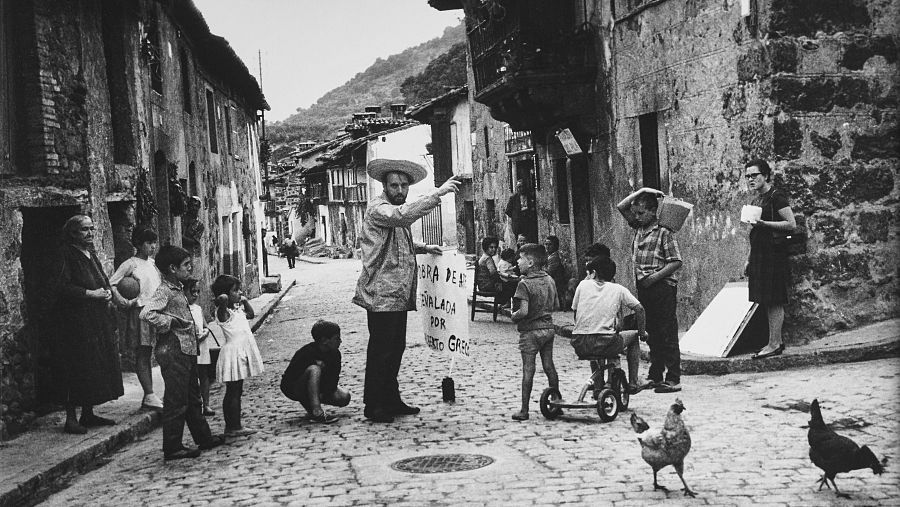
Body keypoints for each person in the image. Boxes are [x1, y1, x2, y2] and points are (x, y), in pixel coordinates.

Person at [352, 158, 460, 423]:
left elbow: (398, 241)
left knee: (396, 347)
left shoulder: (394, 211)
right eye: (394, 185)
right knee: (381, 349)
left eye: (403, 186)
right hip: (380, 294)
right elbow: (400, 217)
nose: (400, 190)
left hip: (398, 294)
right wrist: (438, 192)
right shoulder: (379, 208)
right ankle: (373, 404)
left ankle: (391, 398)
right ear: (384, 186)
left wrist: (424, 248)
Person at [141, 245, 224, 460]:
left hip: (185, 349)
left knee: (192, 397)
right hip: (173, 349)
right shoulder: (165, 291)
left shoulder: (177, 288)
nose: (190, 269)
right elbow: (147, 313)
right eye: (186, 265)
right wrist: (169, 321)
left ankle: (203, 437)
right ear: (172, 268)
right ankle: (172, 446)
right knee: (177, 400)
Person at [49, 215, 124, 434]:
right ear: (73, 233)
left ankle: (88, 414)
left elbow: (102, 279)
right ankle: (71, 418)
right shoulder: (65, 255)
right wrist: (91, 293)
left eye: (91, 229)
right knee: (75, 367)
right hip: (74, 323)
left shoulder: (90, 254)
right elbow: (61, 288)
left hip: (95, 321)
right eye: (84, 230)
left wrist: (108, 293)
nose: (90, 233)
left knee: (93, 364)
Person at [617, 188, 684, 394]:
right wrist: (643, 191)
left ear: (653, 212)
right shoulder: (638, 228)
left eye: (641, 213)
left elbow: (676, 261)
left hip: (662, 286)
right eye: (635, 213)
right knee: (651, 331)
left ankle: (673, 378)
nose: (636, 217)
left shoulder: (664, 232)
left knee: (667, 331)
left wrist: (654, 278)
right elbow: (622, 206)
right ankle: (656, 375)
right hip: (644, 286)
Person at [571, 256, 648, 394]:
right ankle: (633, 383)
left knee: (595, 343)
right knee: (633, 336)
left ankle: (598, 385)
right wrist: (642, 332)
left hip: (580, 343)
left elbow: (576, 313)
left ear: (593, 273)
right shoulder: (618, 289)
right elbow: (640, 309)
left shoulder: (582, 285)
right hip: (606, 342)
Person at [743, 159, 796, 359]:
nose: (750, 179)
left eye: (754, 175)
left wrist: (766, 223)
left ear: (765, 175)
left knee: (774, 299)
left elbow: (791, 224)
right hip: (760, 253)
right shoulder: (758, 199)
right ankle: (774, 341)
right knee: (765, 298)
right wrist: (749, 258)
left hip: (774, 253)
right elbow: (754, 232)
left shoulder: (776, 197)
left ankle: (775, 343)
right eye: (747, 176)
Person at [109, 226, 163, 411]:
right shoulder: (130, 264)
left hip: (157, 312)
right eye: (148, 242)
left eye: (154, 242)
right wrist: (123, 301)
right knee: (144, 353)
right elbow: (112, 283)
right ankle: (149, 394)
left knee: (162, 352)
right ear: (139, 244)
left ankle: (160, 392)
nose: (152, 246)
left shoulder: (154, 264)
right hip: (141, 313)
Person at [509, 243, 559, 421]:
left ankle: (524, 409)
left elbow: (522, 312)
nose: (517, 261)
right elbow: (556, 305)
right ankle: (556, 400)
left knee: (528, 369)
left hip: (530, 332)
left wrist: (513, 315)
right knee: (549, 366)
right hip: (548, 329)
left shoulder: (524, 284)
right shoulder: (550, 280)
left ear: (530, 262)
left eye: (520, 258)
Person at [212, 274, 264, 436]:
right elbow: (221, 307)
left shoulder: (237, 309)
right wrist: (223, 300)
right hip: (233, 353)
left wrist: (244, 300)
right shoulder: (224, 312)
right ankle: (232, 426)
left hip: (241, 351)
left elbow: (251, 314)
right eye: (236, 290)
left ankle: (235, 425)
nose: (239, 292)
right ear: (226, 295)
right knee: (233, 391)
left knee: (237, 390)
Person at [280, 320, 351, 424]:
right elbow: (290, 379)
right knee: (314, 369)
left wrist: (324, 393)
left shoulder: (335, 354)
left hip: (318, 387)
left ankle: (313, 404)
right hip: (294, 387)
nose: (340, 341)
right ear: (324, 340)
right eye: (336, 338)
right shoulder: (306, 352)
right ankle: (317, 411)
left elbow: (333, 381)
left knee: (344, 397)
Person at [184, 278, 216, 416]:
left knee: (204, 376)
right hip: (190, 347)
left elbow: (205, 326)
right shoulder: (183, 309)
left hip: (202, 346)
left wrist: (206, 332)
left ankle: (206, 404)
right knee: (191, 377)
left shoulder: (198, 309)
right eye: (192, 292)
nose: (196, 295)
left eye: (198, 292)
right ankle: (194, 405)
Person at [475, 237, 517, 307]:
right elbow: (493, 273)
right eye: (491, 247)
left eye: (495, 247)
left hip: (483, 284)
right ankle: (507, 302)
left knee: (506, 282)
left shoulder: (484, 257)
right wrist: (503, 278)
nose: (494, 249)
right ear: (486, 247)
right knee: (510, 284)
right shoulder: (487, 259)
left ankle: (503, 301)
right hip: (487, 285)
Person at [505, 178, 537, 243]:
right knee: (520, 242)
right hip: (518, 225)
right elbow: (508, 211)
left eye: (522, 186)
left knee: (529, 242)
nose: (521, 189)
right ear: (517, 188)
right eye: (519, 187)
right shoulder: (513, 198)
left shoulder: (530, 196)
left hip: (528, 224)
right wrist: (516, 216)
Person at [544, 236, 569, 309]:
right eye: (546, 244)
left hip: (557, 282)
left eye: (550, 244)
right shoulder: (549, 256)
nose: (547, 247)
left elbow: (549, 272)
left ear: (555, 246)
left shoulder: (554, 257)